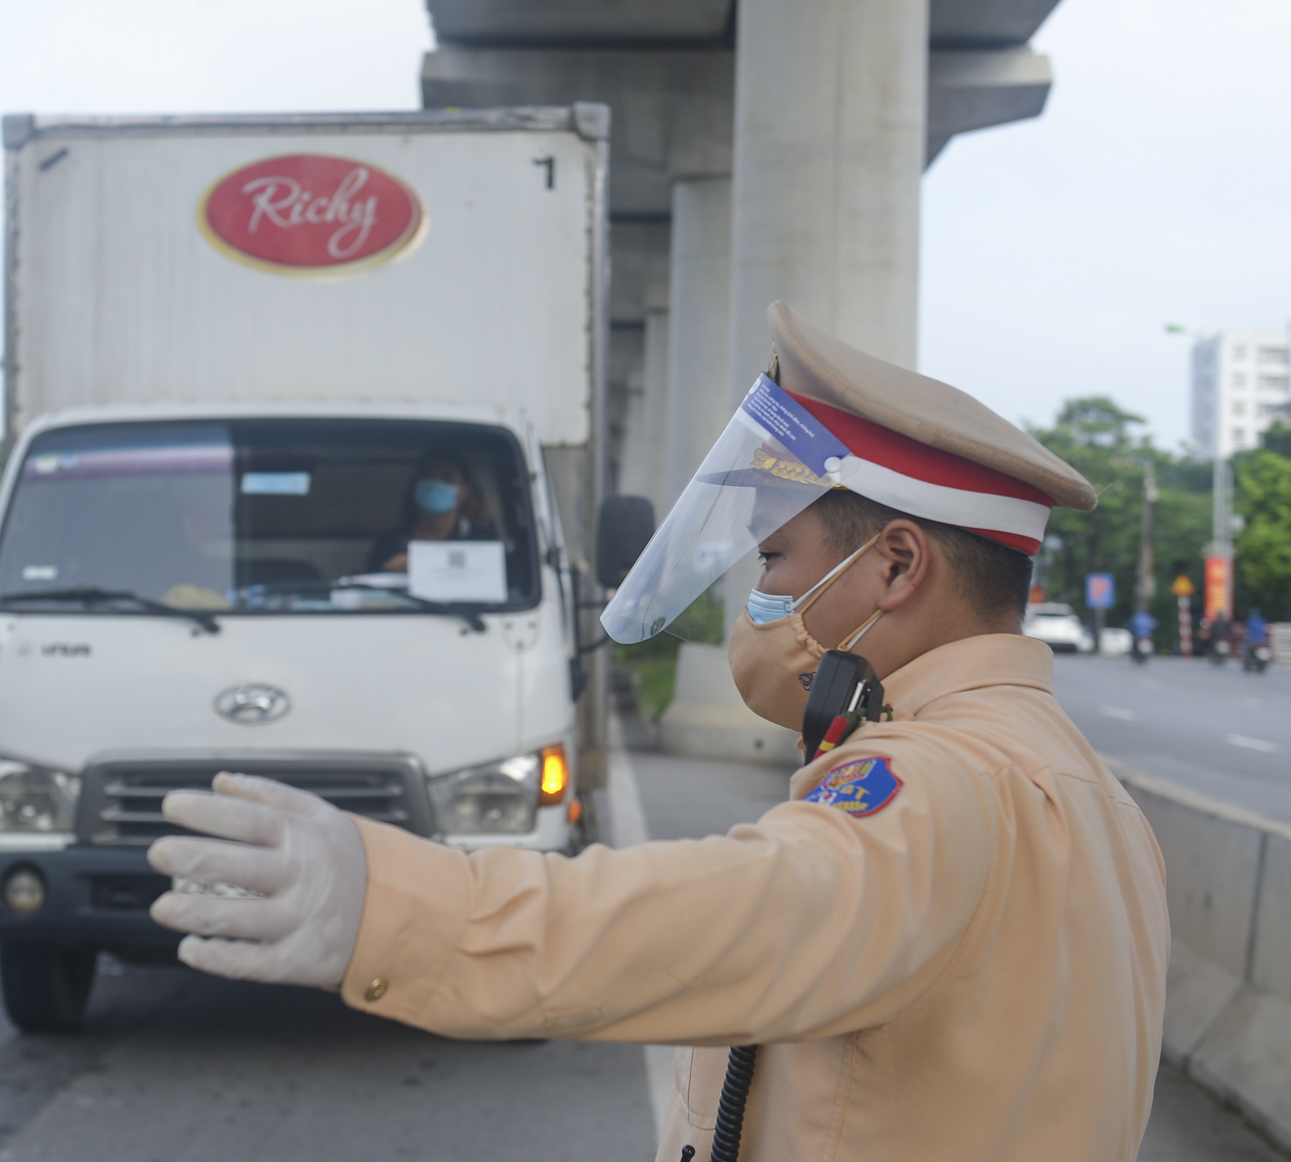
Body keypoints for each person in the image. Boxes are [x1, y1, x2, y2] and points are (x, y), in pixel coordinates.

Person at [142, 303, 1169, 1162]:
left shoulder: (936, 779)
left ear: (896, 566)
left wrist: (411, 907)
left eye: (772, 560)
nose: (756, 601)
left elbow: (747, 911)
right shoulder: (1085, 792)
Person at [364, 450, 497, 573]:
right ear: (416, 485)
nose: (435, 484)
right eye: (427, 476)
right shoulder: (389, 544)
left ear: (464, 491)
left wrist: (420, 564)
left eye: (446, 477)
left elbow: (488, 576)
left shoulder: (481, 541)